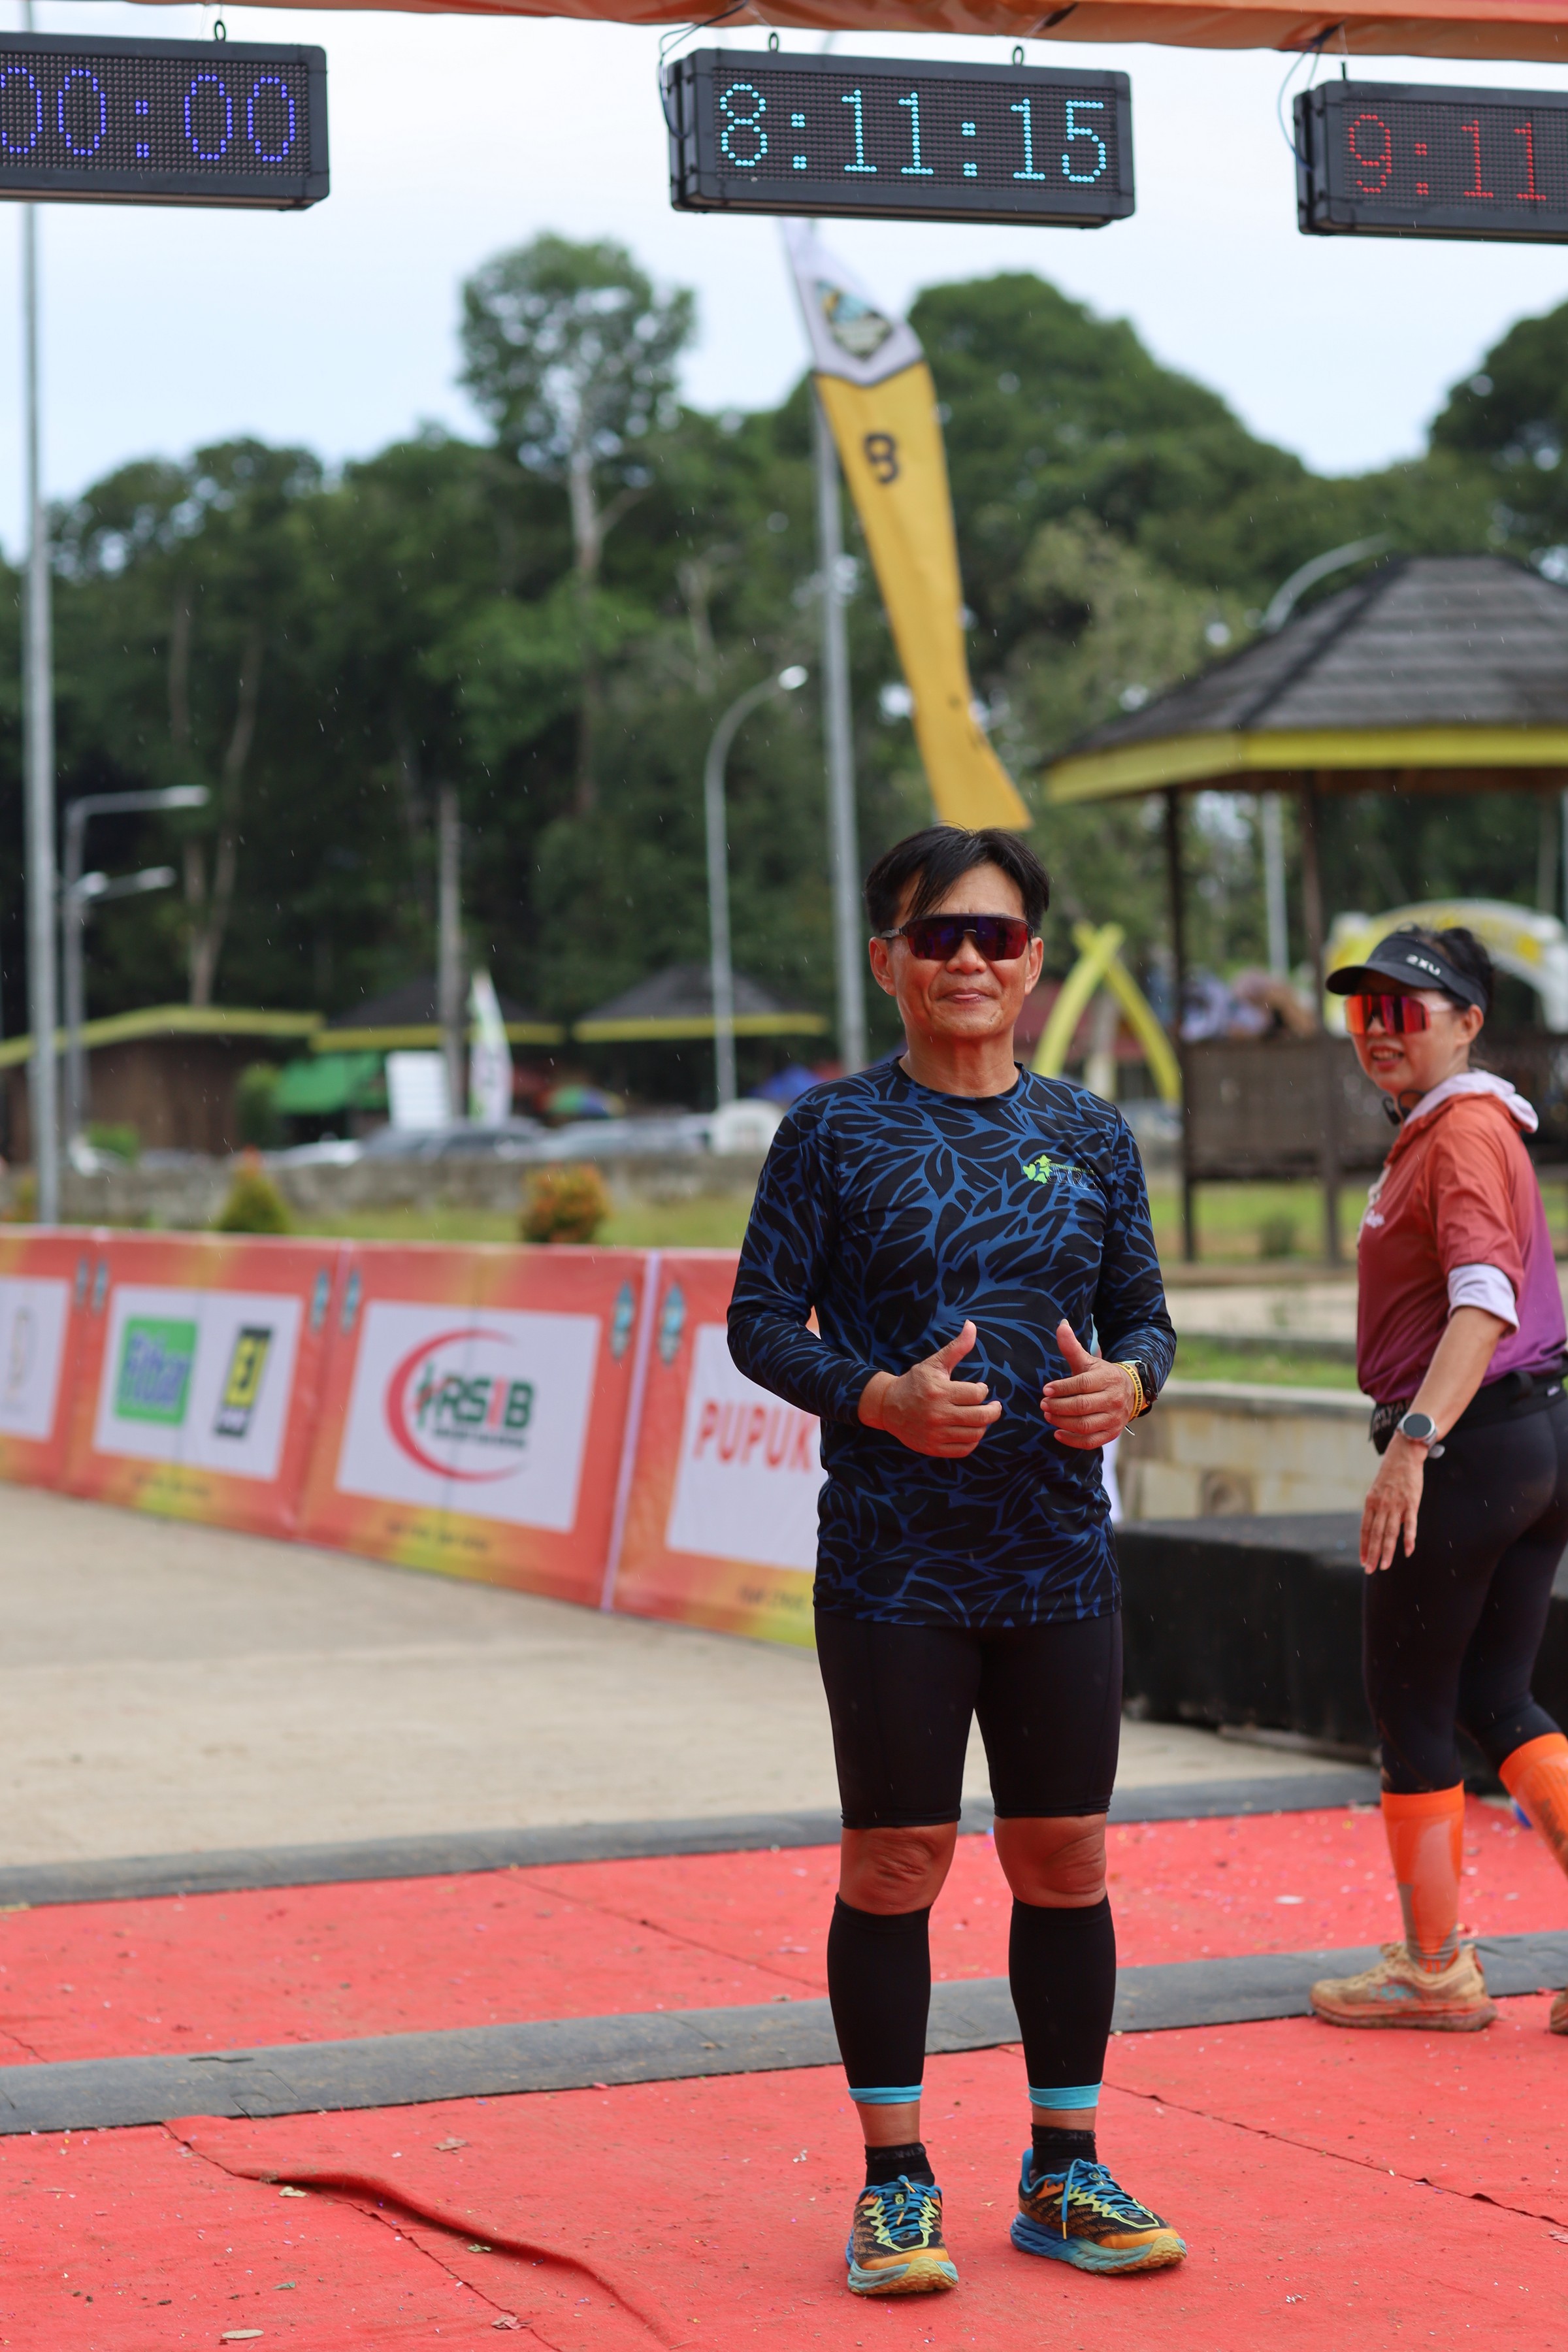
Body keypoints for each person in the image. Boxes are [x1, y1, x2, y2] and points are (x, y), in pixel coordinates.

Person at [728, 824, 1184, 2298]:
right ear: (890, 963)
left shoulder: (1093, 1133)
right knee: (897, 1862)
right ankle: (895, 2182)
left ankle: (1064, 2170)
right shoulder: (829, 1135)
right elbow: (759, 1324)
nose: (970, 960)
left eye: (997, 937)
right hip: (892, 1565)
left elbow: (1147, 1317)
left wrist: (1133, 1385)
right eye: (940, 937)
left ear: (1035, 963)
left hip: (1057, 1560)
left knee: (1067, 1859)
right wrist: (879, 1399)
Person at [1309, 925, 1568, 2033]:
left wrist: (1412, 1444)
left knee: (1410, 1704)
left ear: (1468, 1023)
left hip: (1471, 1447)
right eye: (1365, 1009)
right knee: (1494, 1698)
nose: (1381, 1029)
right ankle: (1433, 1960)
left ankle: (1433, 1969)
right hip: (1532, 1436)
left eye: (1406, 1009)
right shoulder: (1459, 1126)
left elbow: (1484, 1299)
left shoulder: (1461, 1130)